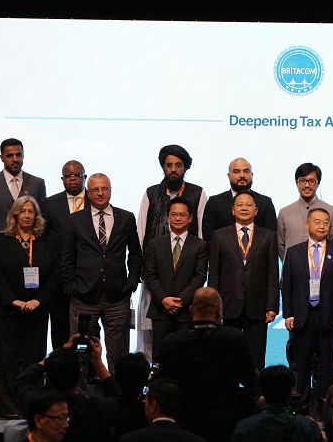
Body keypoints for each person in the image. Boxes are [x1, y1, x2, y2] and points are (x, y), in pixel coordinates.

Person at [155, 287, 257, 442]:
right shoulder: (234, 339)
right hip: (225, 428)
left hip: (184, 427)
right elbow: (251, 381)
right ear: (219, 311)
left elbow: (162, 385)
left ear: (191, 310)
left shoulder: (173, 342)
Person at [14, 338, 120, 442]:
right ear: (79, 377)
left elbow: (21, 382)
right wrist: (97, 361)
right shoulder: (93, 408)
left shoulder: (35, 405)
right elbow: (116, 396)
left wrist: (53, 359)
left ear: (47, 376)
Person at [0, 138, 48, 379]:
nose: (15, 159)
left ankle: (31, 367)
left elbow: (43, 222)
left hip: (31, 262)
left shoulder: (37, 183)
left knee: (33, 314)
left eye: (18, 154)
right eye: (10, 155)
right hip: (0, 263)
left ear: (23, 156)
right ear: (2, 158)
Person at [61, 172, 142, 370]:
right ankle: (79, 389)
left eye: (104, 189)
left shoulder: (126, 217)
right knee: (80, 354)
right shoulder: (75, 220)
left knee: (119, 355)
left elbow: (135, 253)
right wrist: (71, 285)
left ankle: (117, 389)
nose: (100, 193)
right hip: (83, 296)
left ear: (111, 191)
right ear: (88, 193)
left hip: (117, 297)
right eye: (95, 189)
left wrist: (132, 281)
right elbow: (68, 256)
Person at [0, 196, 59, 418]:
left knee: (34, 359)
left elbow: (55, 274)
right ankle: (9, 408)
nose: (27, 215)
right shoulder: (2, 241)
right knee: (8, 361)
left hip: (37, 310)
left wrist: (39, 300)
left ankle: (32, 405)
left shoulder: (46, 241)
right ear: (15, 215)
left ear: (37, 216)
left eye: (31, 211)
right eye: (23, 211)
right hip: (10, 310)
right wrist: (13, 300)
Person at [136, 145, 208, 358]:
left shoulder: (198, 193)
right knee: (152, 337)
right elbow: (141, 233)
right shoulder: (151, 193)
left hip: (187, 277)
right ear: (163, 167)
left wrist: (185, 297)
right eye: (169, 165)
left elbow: (202, 234)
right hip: (156, 277)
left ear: (185, 167)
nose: (173, 170)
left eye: (178, 165)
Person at [281, 207, 333, 409]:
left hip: (328, 315)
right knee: (300, 363)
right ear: (307, 224)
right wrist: (288, 314)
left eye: (325, 223)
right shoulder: (293, 252)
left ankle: (324, 405)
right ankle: (300, 405)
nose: (322, 226)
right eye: (317, 222)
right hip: (301, 316)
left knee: (326, 363)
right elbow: (287, 286)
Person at [207, 191, 279, 368]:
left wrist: (272, 306)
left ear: (256, 210)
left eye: (248, 205)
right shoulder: (219, 235)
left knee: (256, 359)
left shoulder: (268, 236)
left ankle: (255, 387)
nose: (244, 208)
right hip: (228, 305)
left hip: (258, 306)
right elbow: (214, 274)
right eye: (240, 205)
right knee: (227, 358)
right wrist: (214, 306)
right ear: (233, 210)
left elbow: (272, 273)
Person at [142, 196, 208, 350]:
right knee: (160, 355)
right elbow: (150, 275)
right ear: (168, 217)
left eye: (182, 215)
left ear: (190, 218)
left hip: (186, 311)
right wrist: (163, 299)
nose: (178, 218)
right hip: (160, 310)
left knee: (186, 355)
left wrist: (181, 301)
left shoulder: (200, 245)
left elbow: (200, 277)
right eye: (174, 214)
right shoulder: (155, 244)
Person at [42, 160, 89, 350]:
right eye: (68, 176)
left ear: (85, 177)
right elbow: (43, 239)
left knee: (88, 328)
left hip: (89, 276)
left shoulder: (96, 201)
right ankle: (59, 365)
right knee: (60, 325)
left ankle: (89, 367)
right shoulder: (49, 204)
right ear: (62, 179)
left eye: (77, 175)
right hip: (59, 276)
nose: (72, 179)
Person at [276, 161, 333, 260]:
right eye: (302, 181)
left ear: (318, 184)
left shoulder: (331, 211)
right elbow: (280, 246)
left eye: (311, 181)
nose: (307, 185)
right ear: (296, 183)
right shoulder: (284, 213)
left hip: (325, 267)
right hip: (294, 267)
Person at [201, 157, 277, 240]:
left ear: (252, 175)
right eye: (236, 172)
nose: (242, 175)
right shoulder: (214, 202)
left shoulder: (265, 202)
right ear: (229, 176)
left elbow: (272, 238)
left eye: (246, 171)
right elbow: (208, 238)